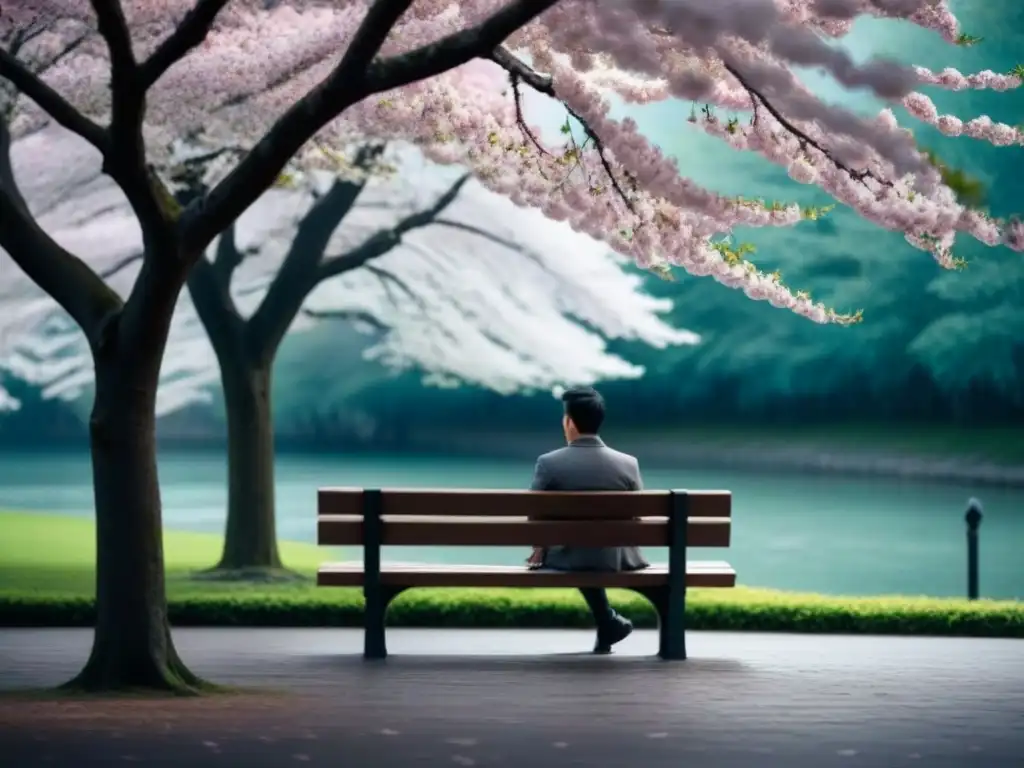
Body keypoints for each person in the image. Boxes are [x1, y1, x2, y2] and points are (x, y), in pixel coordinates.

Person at [527, 385, 649, 653]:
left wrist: (540, 547)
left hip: (569, 555)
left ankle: (608, 621)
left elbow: (533, 516)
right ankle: (608, 622)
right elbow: (637, 516)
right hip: (617, 557)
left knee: (577, 549)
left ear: (569, 422)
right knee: (588, 546)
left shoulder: (549, 463)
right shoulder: (628, 463)